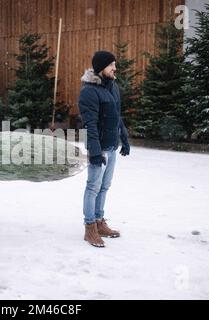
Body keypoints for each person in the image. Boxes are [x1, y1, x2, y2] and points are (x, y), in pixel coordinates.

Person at [78, 51, 130, 248]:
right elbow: (90, 125)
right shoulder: (89, 91)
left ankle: (100, 222)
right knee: (93, 187)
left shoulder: (113, 87)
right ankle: (90, 227)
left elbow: (117, 117)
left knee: (104, 186)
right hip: (98, 148)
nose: (115, 68)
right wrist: (95, 152)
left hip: (111, 146)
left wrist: (124, 140)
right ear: (101, 68)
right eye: (111, 65)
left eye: (114, 65)